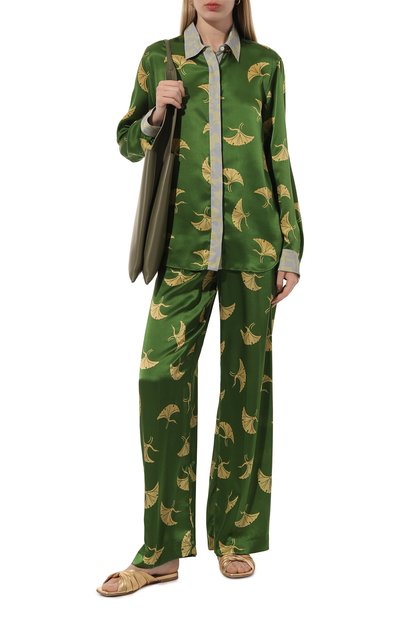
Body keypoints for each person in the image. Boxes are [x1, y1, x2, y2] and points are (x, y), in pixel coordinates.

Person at [97, 0, 304, 597]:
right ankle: (161, 551)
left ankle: (234, 535)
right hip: (182, 250)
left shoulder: (265, 64)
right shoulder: (159, 58)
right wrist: (155, 113)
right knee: (158, 376)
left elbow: (278, 154)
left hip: (253, 250)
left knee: (246, 390)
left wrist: (291, 246)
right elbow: (127, 143)